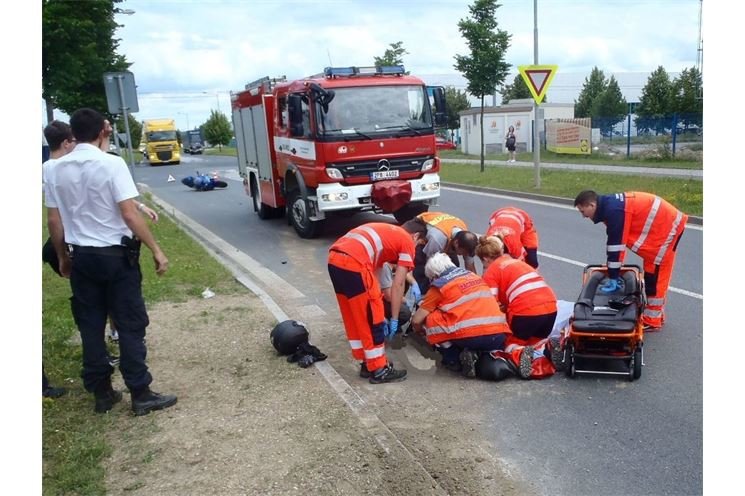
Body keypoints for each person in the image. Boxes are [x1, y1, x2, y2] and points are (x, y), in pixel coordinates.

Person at [44, 107, 177, 415]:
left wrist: (63, 257)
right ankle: (140, 392)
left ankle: (102, 393)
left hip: (81, 258)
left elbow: (55, 221)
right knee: (130, 324)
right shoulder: (111, 164)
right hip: (116, 257)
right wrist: (156, 249)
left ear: (73, 135)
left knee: (90, 325)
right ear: (102, 132)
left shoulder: (54, 170)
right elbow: (128, 213)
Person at [574, 190, 688, 331]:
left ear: (592, 205)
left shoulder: (614, 211)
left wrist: (614, 275)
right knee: (652, 272)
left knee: (656, 277)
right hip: (663, 226)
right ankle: (654, 315)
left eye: (583, 211)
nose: (584, 216)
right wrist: (614, 269)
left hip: (666, 228)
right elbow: (618, 242)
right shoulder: (610, 207)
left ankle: (653, 320)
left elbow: (616, 246)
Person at [327, 222, 418, 384]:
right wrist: (394, 318)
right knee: (372, 318)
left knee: (356, 316)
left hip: (335, 259)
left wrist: (375, 301)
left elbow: (375, 277)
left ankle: (368, 363)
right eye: (420, 243)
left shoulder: (387, 236)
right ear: (416, 236)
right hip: (354, 262)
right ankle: (379, 370)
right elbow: (398, 284)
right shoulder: (408, 241)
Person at [411, 253, 513, 378]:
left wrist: (420, 332)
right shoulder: (473, 276)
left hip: (471, 337)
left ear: (435, 275)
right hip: (498, 334)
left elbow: (417, 320)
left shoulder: (440, 285)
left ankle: (453, 359)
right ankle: (484, 355)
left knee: (432, 318)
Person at [476, 235, 557, 344]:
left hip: (526, 312)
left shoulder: (491, 271)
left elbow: (490, 305)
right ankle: (549, 349)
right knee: (536, 344)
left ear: (485, 258)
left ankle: (518, 354)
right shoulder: (518, 262)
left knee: (512, 345)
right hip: (551, 308)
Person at [401, 212, 478, 295]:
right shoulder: (437, 239)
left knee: (453, 267)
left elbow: (470, 267)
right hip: (422, 226)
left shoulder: (466, 239)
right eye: (462, 252)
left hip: (444, 235)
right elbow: (430, 267)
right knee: (421, 270)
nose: (462, 255)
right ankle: (421, 298)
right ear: (456, 243)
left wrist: (474, 288)